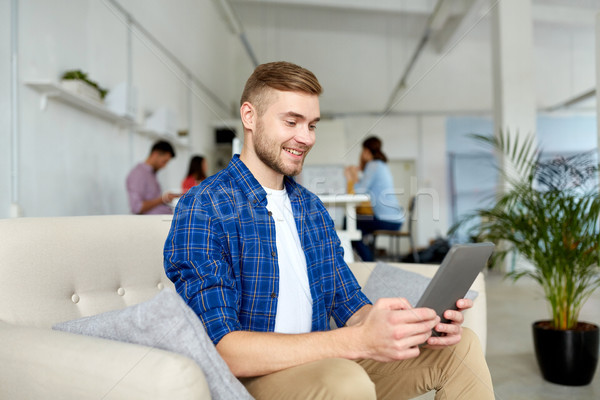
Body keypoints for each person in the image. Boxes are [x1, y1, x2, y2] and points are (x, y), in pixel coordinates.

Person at [164, 61, 494, 399]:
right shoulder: (205, 207)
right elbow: (223, 349)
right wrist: (353, 341)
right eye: (291, 121)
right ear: (249, 117)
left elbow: (351, 306)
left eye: (312, 125)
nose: (305, 138)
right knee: (344, 380)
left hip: (326, 361)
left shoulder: (310, 208)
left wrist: (404, 325)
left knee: (460, 348)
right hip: (251, 379)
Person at [344, 136, 404, 261]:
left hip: (387, 220)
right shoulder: (381, 165)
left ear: (366, 151)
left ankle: (369, 261)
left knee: (348, 222)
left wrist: (352, 177)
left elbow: (359, 191)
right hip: (395, 220)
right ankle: (368, 256)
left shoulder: (373, 165)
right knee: (355, 226)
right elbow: (364, 189)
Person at [126, 140, 178, 215]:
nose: (164, 166)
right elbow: (136, 207)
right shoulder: (138, 174)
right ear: (155, 154)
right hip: (150, 223)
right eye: (164, 161)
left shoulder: (151, 174)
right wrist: (162, 199)